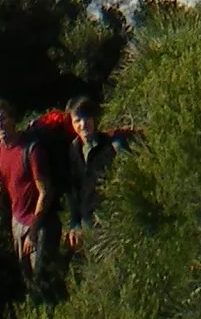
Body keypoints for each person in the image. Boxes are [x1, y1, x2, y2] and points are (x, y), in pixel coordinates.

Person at [0, 98, 55, 282]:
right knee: (27, 279)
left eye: (3, 119)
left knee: (42, 278)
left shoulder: (32, 149)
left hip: (39, 224)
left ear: (12, 119)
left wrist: (33, 231)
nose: (0, 125)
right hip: (18, 222)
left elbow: (45, 192)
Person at [56, 96, 140, 247]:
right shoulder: (73, 150)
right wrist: (74, 224)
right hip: (87, 222)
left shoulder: (112, 147)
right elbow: (74, 190)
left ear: (94, 119)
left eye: (87, 118)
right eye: (77, 121)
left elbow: (127, 184)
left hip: (112, 221)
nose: (83, 124)